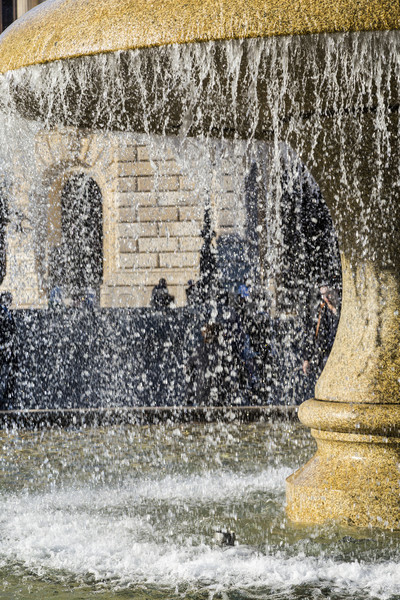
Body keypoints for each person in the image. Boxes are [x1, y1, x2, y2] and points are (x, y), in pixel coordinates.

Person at [302, 282, 340, 391]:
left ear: (335, 291)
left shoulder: (344, 309)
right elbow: (311, 335)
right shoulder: (320, 311)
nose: (326, 298)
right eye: (323, 295)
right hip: (324, 357)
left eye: (328, 293)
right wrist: (306, 358)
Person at [0, 292, 17, 407]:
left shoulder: (8, 312)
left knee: (12, 370)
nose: (10, 302)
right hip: (3, 348)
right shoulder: (2, 312)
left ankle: (8, 395)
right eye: (8, 299)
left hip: (9, 348)